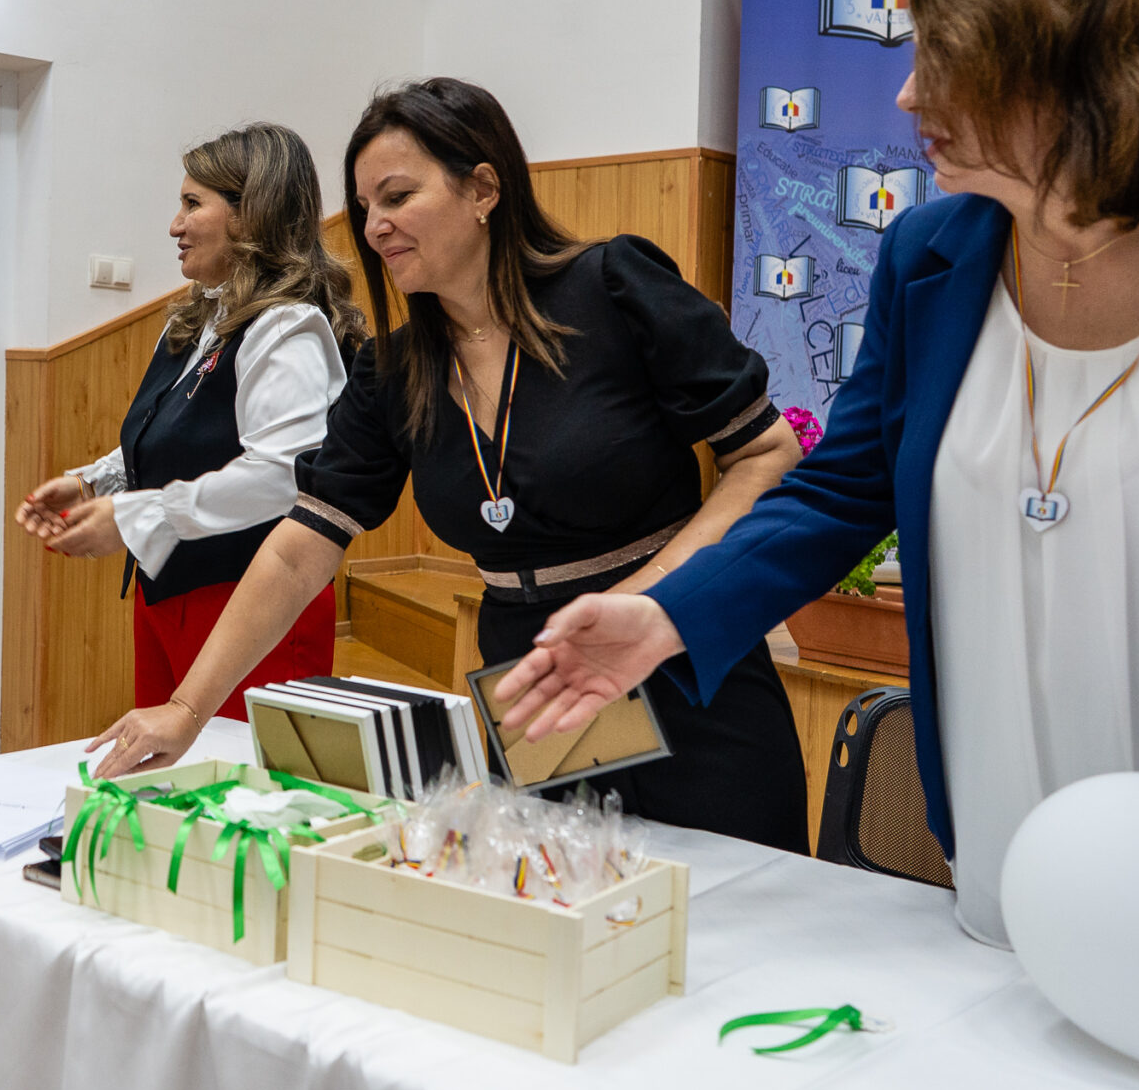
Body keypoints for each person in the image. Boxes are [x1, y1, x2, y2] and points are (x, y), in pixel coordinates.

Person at [499, 0, 1139, 1052]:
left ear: (1081, 76)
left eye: (944, 63)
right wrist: (664, 619)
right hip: (997, 845)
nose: (906, 96)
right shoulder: (929, 254)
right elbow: (842, 489)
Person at [92, 79, 810, 850]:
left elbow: (767, 453)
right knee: (568, 896)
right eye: (364, 206)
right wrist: (188, 709)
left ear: (483, 189)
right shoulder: (393, 369)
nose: (375, 225)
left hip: (679, 654)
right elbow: (302, 546)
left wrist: (643, 600)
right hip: (535, 681)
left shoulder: (612, 287)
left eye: (398, 196)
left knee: (735, 902)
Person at [18, 123, 365, 719]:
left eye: (191, 204)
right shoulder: (195, 319)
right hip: (166, 596)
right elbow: (176, 436)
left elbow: (284, 474)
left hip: (254, 605)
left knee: (243, 775)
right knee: (167, 769)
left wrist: (138, 516)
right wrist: (94, 483)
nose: (174, 226)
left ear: (249, 215)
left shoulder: (287, 328)